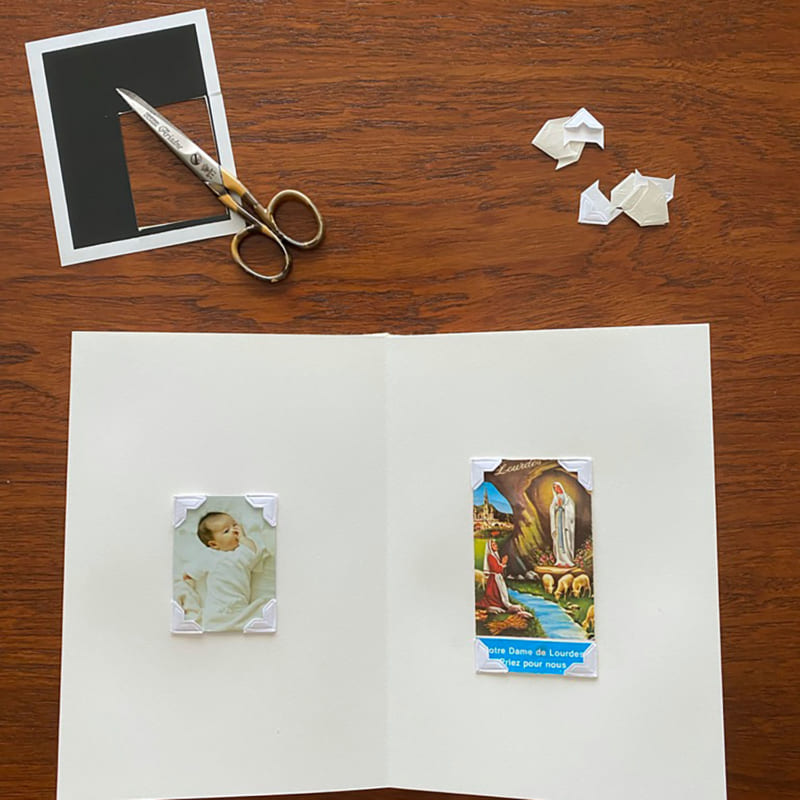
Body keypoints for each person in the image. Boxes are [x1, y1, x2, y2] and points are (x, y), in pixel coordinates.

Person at [194, 511, 265, 631]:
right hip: (216, 608)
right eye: (226, 531)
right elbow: (193, 570)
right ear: (214, 544)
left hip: (239, 607)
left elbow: (251, 552)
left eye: (235, 525)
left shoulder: (240, 554)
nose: (234, 531)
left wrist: (243, 538)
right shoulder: (209, 555)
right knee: (213, 626)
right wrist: (188, 579)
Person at [477, 539, 520, 613]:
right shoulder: (490, 557)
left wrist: (502, 564)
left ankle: (501, 604)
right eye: (493, 545)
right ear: (490, 547)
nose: (496, 546)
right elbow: (496, 569)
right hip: (494, 579)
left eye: (495, 544)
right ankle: (496, 604)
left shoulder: (495, 556)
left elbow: (499, 568)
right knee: (495, 594)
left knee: (500, 592)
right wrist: (503, 563)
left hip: (497, 577)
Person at [549, 482, 576, 567]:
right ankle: (560, 560)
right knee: (558, 539)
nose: (556, 489)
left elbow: (571, 509)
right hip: (558, 520)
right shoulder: (555, 498)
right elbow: (552, 509)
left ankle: (567, 560)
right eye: (554, 488)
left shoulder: (567, 498)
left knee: (565, 539)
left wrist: (563, 507)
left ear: (560, 487)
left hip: (565, 522)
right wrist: (557, 507)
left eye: (557, 487)